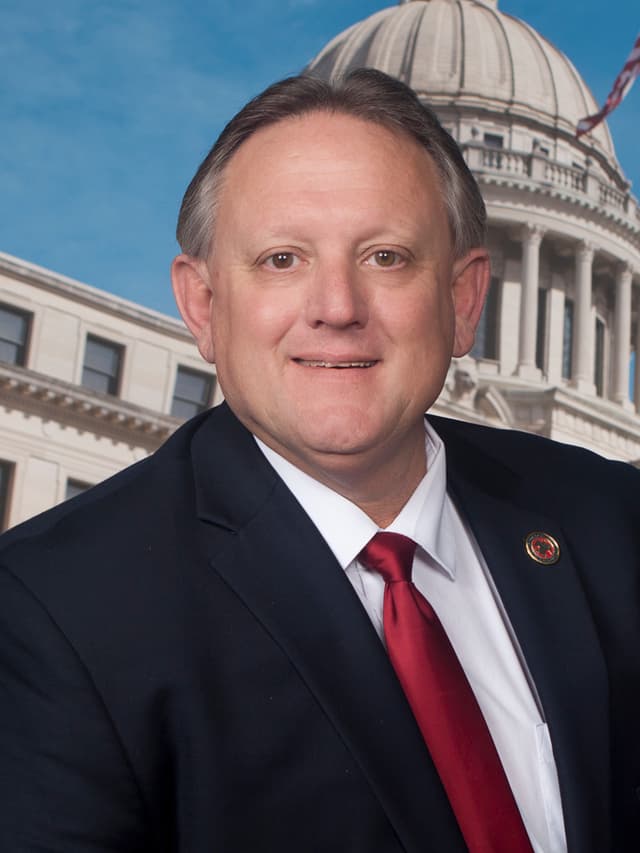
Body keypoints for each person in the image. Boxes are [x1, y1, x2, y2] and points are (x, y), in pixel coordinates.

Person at [0, 69, 638, 853]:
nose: (337, 307)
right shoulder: (50, 610)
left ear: (465, 298)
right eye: (281, 259)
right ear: (202, 306)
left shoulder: (614, 523)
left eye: (387, 255)